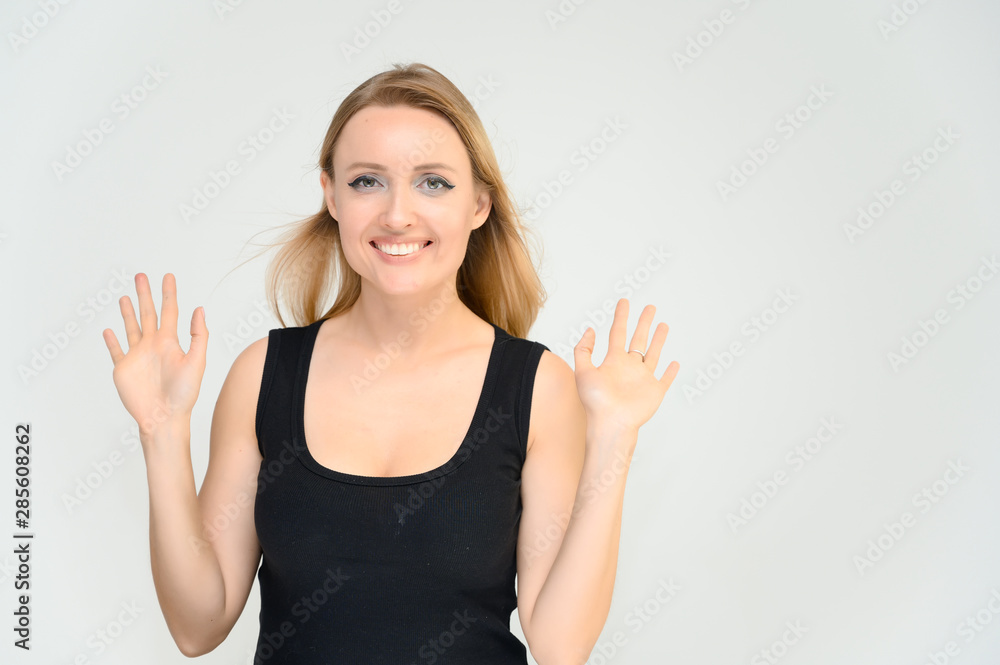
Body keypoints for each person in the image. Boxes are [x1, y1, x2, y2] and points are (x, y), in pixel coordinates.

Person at [102, 62, 678, 664]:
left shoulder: (536, 388)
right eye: (367, 181)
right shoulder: (263, 376)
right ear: (331, 196)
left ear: (479, 204)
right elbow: (198, 626)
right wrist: (161, 432)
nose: (398, 214)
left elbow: (561, 646)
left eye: (433, 183)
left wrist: (614, 439)